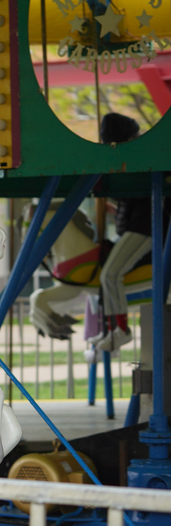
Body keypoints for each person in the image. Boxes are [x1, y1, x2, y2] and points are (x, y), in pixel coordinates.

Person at [95, 113, 154, 352]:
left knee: (110, 274)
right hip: (141, 223)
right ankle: (114, 329)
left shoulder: (139, 157)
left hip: (147, 226)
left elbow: (137, 194)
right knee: (107, 274)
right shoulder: (138, 154)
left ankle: (121, 330)